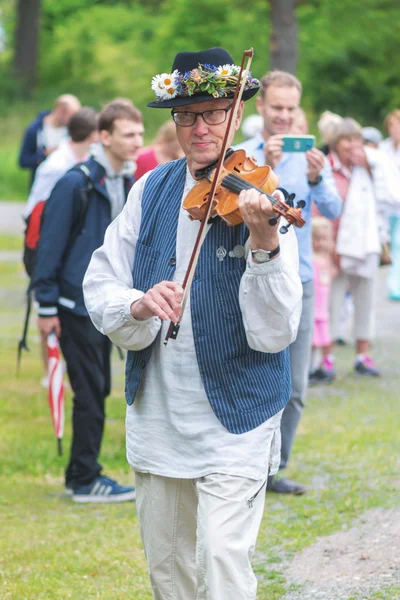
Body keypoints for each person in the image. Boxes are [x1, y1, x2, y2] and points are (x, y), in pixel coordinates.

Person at [83, 47, 302, 599]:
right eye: (187, 115)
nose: (201, 127)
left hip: (239, 412)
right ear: (174, 121)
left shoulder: (261, 196)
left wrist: (265, 243)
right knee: (169, 570)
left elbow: (276, 331)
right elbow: (101, 283)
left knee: (223, 558)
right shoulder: (150, 190)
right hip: (161, 413)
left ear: (234, 115)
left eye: (213, 113)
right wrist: (136, 303)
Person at [31, 99, 144, 503]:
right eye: (129, 134)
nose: (137, 142)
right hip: (73, 303)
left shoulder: (128, 182)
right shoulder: (75, 182)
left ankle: (85, 473)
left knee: (101, 388)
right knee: (91, 391)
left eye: (140, 133)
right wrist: (46, 306)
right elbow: (50, 247)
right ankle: (83, 478)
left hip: (106, 302)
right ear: (105, 136)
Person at [238, 70, 342, 495]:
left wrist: (318, 179)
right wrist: (268, 171)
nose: (283, 115)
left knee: (295, 386)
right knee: (250, 377)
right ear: (260, 106)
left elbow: (333, 210)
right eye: (275, 107)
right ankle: (243, 464)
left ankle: (274, 470)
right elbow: (230, 208)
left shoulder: (311, 156)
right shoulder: (244, 153)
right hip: (254, 277)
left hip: (299, 280)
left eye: (290, 108)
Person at [23, 107, 99, 388]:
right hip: (44, 243)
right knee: (48, 304)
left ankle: (62, 363)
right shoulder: (57, 167)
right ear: (93, 135)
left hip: (62, 243)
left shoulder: (78, 159)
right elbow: (38, 212)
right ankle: (50, 370)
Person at [327, 118, 384, 376]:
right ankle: (325, 357)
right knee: (331, 302)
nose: (352, 145)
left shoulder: (372, 167)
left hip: (365, 244)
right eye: (346, 140)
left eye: (356, 139)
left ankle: (363, 354)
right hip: (332, 245)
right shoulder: (327, 168)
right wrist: (328, 247)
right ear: (336, 143)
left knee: (365, 300)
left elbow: (387, 196)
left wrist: (370, 170)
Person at [19, 94, 81, 186]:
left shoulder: (72, 132)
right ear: (60, 110)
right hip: (40, 186)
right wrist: (44, 154)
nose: (72, 120)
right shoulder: (35, 130)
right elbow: (23, 161)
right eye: (71, 115)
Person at [309, 217, 336, 383]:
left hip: (323, 308)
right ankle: (310, 368)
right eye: (316, 239)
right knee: (312, 341)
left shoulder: (327, 260)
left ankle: (322, 365)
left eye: (324, 239)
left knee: (325, 338)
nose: (320, 243)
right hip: (313, 308)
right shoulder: (311, 261)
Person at [380, 110, 400, 300]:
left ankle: (396, 286)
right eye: (394, 125)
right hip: (386, 204)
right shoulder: (383, 148)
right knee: (386, 241)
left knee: (398, 245)